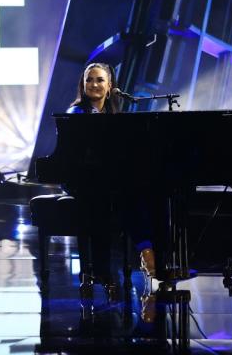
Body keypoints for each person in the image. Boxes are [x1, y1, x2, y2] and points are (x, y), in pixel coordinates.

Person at [64, 63, 158, 297]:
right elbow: (73, 157)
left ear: (110, 87)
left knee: (138, 192)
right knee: (119, 195)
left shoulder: (115, 117)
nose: (94, 85)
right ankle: (139, 251)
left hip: (106, 179)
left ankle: (144, 252)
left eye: (99, 80)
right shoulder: (76, 114)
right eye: (89, 80)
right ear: (83, 85)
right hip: (81, 179)